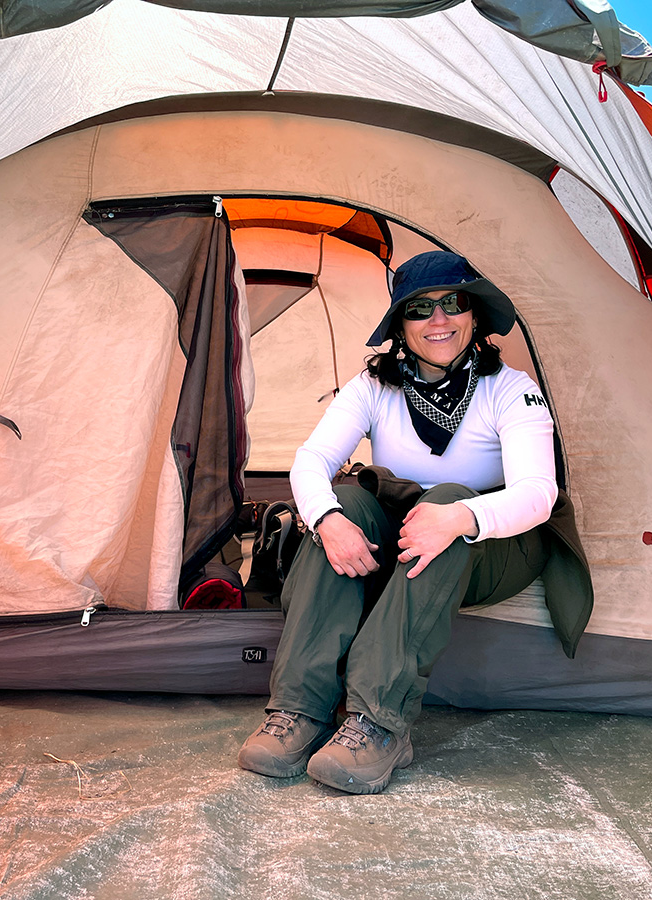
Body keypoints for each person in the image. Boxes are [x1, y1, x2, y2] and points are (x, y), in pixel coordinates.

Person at [237, 249, 590, 794]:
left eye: (453, 303)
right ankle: (300, 710)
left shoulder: (510, 388)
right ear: (400, 326)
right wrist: (327, 519)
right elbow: (311, 461)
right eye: (420, 309)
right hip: (407, 533)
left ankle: (379, 722)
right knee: (346, 501)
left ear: (474, 315)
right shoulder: (373, 386)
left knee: (445, 499)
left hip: (494, 546)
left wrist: (459, 515)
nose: (439, 320)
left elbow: (538, 493)